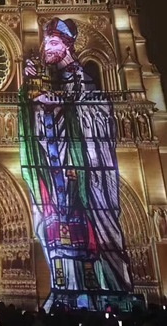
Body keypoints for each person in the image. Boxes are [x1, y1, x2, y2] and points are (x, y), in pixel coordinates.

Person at [18, 17, 132, 309]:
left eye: (53, 42)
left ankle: (112, 294)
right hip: (55, 164)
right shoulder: (53, 77)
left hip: (83, 170)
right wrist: (30, 92)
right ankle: (68, 289)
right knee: (55, 228)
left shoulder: (81, 77)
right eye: (46, 43)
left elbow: (95, 112)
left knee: (94, 228)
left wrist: (58, 103)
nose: (47, 48)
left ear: (67, 46)